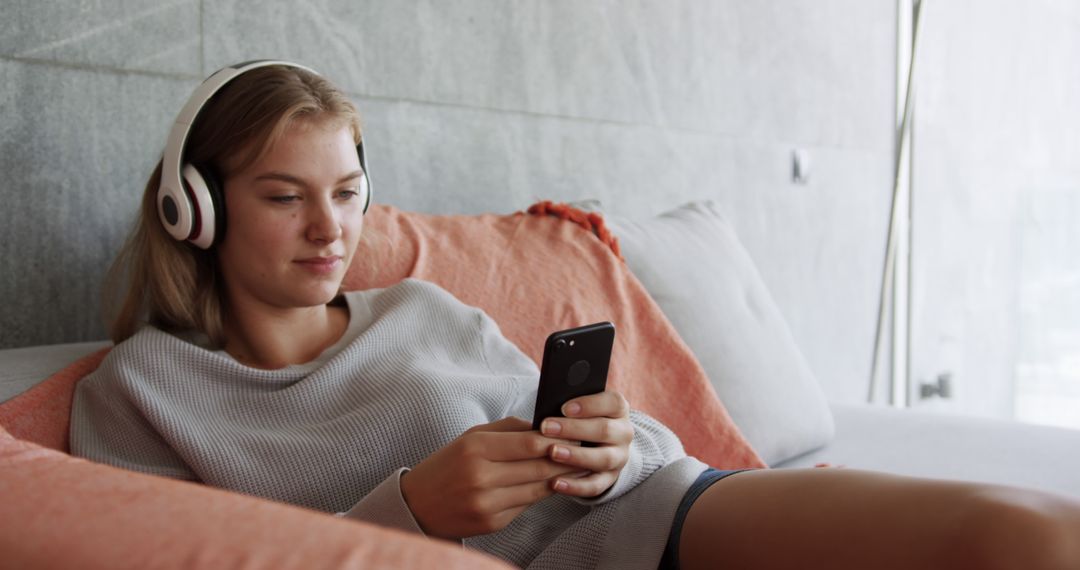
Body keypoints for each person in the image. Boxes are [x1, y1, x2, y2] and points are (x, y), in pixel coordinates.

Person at [69, 62, 1080, 570]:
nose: (328, 228)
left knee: (1022, 533)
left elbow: (634, 445)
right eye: (285, 196)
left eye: (346, 190)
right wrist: (410, 513)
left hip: (651, 513)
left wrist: (612, 443)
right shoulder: (145, 393)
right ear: (192, 208)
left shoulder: (418, 310)